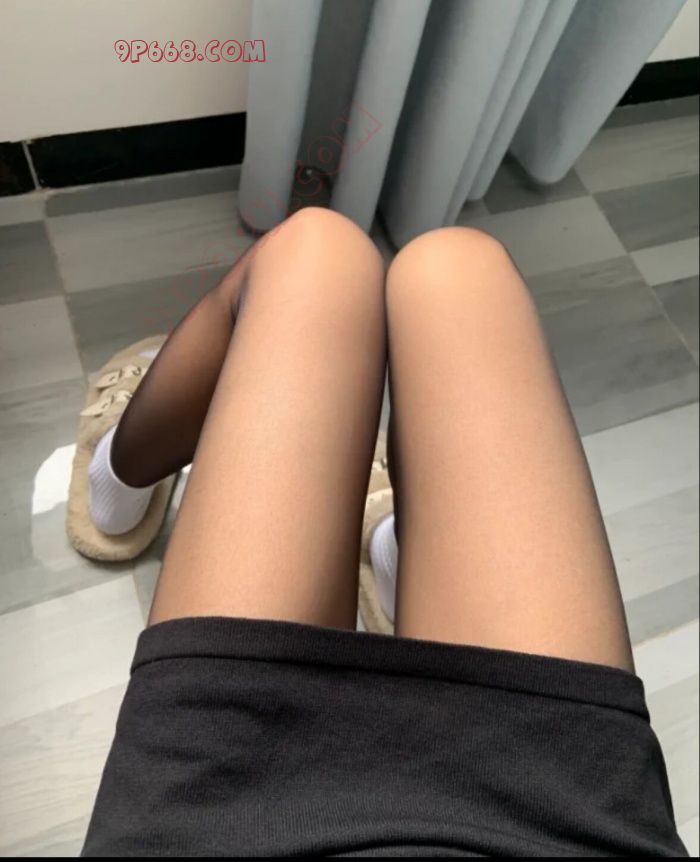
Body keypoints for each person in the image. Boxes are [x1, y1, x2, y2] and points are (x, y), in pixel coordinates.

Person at [71, 208, 686, 857]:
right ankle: (397, 562)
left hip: (221, 810)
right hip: (559, 808)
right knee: (456, 266)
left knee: (315, 250)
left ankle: (117, 485)